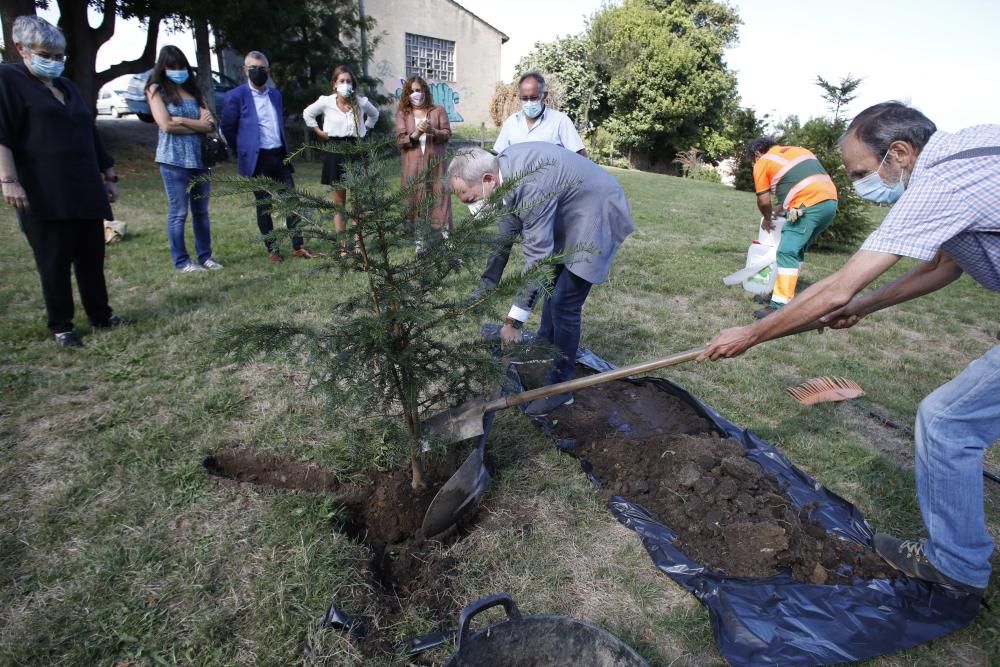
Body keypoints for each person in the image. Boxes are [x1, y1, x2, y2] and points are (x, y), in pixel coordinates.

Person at [701, 102, 999, 598]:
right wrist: (867, 306)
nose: (860, 182)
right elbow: (943, 266)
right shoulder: (969, 155)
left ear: (900, 153)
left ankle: (957, 565)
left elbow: (839, 286)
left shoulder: (940, 181)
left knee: (948, 423)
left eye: (862, 172)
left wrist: (752, 334)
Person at [448, 144, 634, 415]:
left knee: (564, 303)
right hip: (569, 210)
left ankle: (560, 388)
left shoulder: (530, 184)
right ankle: (544, 346)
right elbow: (505, 234)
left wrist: (514, 322)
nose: (471, 206)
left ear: (487, 180)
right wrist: (486, 285)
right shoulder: (503, 173)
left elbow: (537, 259)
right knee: (552, 289)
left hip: (597, 212)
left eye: (469, 198)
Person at [0, 16, 122, 348]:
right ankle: (62, 324)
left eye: (59, 56)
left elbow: (88, 133)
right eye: (47, 54)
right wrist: (8, 179)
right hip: (44, 190)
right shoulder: (8, 80)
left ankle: (101, 313)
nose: (54, 62)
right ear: (22, 48)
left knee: (91, 256)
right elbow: (3, 135)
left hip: (82, 186)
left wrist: (107, 173)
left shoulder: (67, 87)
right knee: (54, 260)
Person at [221, 50, 318, 263]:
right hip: (257, 159)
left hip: (279, 155)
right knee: (264, 205)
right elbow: (227, 127)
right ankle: (272, 249)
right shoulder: (235, 96)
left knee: (291, 200)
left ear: (268, 70)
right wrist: (241, 151)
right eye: (253, 69)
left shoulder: (275, 95)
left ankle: (298, 245)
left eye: (262, 69)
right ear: (245, 70)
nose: (258, 72)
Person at [145, 45, 221, 273]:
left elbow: (209, 125)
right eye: (172, 67)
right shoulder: (155, 89)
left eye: (181, 67)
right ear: (164, 67)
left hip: (199, 159)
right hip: (173, 160)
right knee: (178, 212)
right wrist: (193, 125)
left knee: (201, 211)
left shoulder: (194, 91)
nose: (178, 71)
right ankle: (182, 261)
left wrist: (182, 121)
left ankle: (205, 256)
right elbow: (165, 125)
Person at [746, 136, 839, 319]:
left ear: (757, 153)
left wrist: (767, 217)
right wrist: (778, 210)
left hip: (807, 206)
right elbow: (800, 186)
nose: (753, 163)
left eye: (752, 159)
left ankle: (779, 306)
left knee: (787, 252)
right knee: (796, 252)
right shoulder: (800, 151)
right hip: (829, 205)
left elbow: (763, 200)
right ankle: (781, 293)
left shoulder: (763, 161)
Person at [303, 65, 379, 256]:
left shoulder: (360, 102)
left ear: (353, 84)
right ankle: (342, 246)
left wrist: (365, 129)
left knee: (357, 203)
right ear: (334, 84)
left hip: (356, 150)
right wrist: (318, 131)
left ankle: (358, 244)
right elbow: (308, 113)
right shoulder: (326, 102)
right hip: (335, 151)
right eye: (341, 81)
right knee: (339, 203)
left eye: (348, 81)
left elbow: (375, 114)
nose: (345, 84)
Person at [395, 75, 452, 250]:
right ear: (406, 94)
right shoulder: (403, 113)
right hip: (413, 163)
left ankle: (447, 237)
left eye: (418, 90)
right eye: (411, 91)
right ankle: (420, 241)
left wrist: (432, 131)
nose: (415, 94)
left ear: (425, 91)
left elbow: (447, 133)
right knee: (416, 199)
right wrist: (415, 135)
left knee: (440, 196)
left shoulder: (438, 110)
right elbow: (400, 140)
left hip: (436, 161)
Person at [493, 72, 586, 156]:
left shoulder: (560, 121)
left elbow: (580, 156)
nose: (529, 102)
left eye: (533, 98)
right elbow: (498, 155)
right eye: (524, 98)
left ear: (544, 95)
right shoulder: (511, 122)